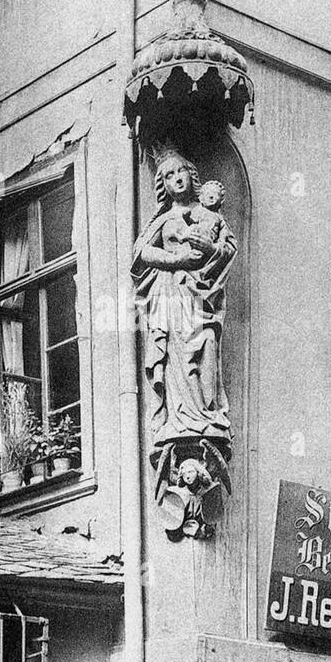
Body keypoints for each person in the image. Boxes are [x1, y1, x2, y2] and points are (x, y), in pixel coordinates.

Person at [131, 148, 237, 459]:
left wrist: (210, 248)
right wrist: (175, 259)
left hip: (202, 297)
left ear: (191, 175)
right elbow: (140, 254)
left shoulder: (211, 216)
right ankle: (178, 419)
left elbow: (228, 250)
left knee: (206, 343)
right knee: (175, 357)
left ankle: (206, 414)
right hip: (171, 295)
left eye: (180, 172)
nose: (176, 178)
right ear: (162, 184)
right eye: (167, 175)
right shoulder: (163, 219)